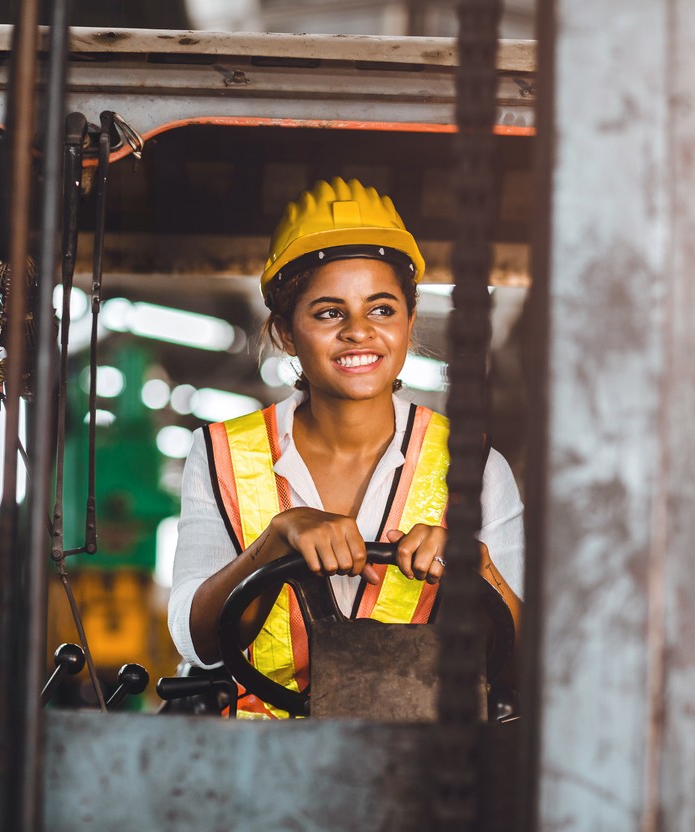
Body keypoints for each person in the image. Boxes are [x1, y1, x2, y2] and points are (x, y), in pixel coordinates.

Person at [166, 177, 525, 718]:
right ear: (286, 333)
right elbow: (199, 643)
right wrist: (274, 542)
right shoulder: (220, 455)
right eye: (329, 312)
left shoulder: (476, 466)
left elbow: (519, 656)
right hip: (251, 766)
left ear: (407, 322)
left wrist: (480, 569)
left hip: (418, 764)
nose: (359, 331)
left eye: (381, 309)